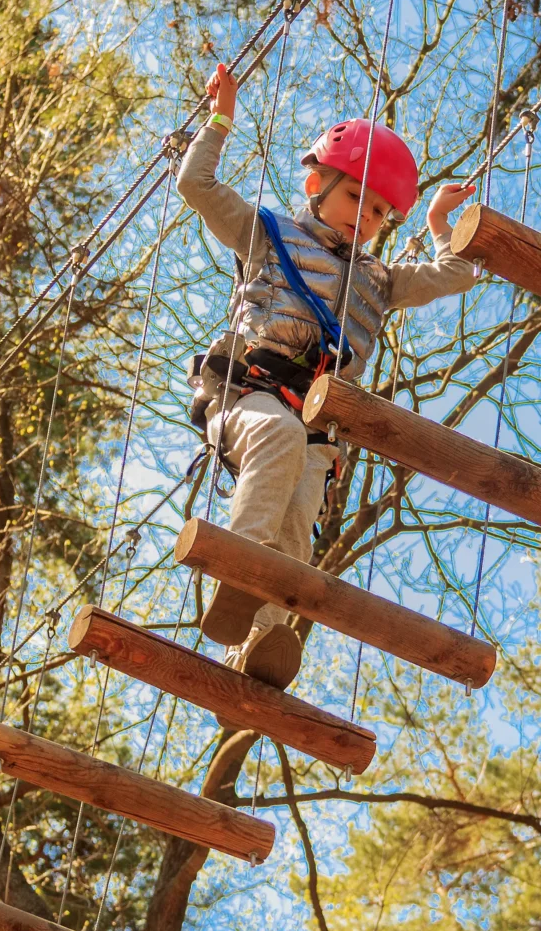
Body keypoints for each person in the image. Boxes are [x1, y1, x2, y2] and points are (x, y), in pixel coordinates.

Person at [179, 61, 478, 699]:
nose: (364, 220)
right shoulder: (270, 234)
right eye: (353, 200)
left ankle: (258, 650)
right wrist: (222, 115)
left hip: (316, 422)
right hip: (249, 392)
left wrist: (438, 228)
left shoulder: (379, 280)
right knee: (280, 444)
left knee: (298, 518)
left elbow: (455, 275)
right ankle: (241, 563)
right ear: (316, 183)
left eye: (377, 214)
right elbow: (196, 183)